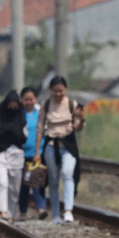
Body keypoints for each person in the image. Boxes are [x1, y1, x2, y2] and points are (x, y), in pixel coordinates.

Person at [33, 76, 85, 224]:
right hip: (50, 145)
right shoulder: (46, 104)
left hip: (68, 144)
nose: (58, 94)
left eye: (60, 91)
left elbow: (78, 128)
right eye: (55, 91)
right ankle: (56, 214)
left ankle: (68, 210)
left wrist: (81, 118)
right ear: (50, 90)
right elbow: (39, 129)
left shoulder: (71, 104)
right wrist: (37, 152)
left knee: (68, 173)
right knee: (53, 179)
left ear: (65, 90)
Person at [0, 90, 28, 224]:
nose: (12, 108)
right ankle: (3, 211)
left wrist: (13, 134)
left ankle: (11, 213)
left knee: (15, 188)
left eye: (15, 105)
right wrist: (4, 134)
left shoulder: (21, 117)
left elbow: (23, 137)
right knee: (3, 183)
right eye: (10, 105)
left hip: (16, 155)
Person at [17, 87, 48, 221]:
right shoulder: (18, 113)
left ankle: (41, 209)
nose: (29, 102)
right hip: (21, 154)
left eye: (31, 99)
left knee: (38, 181)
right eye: (26, 99)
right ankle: (23, 211)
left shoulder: (40, 112)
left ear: (35, 99)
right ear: (22, 100)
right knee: (23, 184)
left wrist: (38, 152)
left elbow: (42, 132)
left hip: (37, 153)